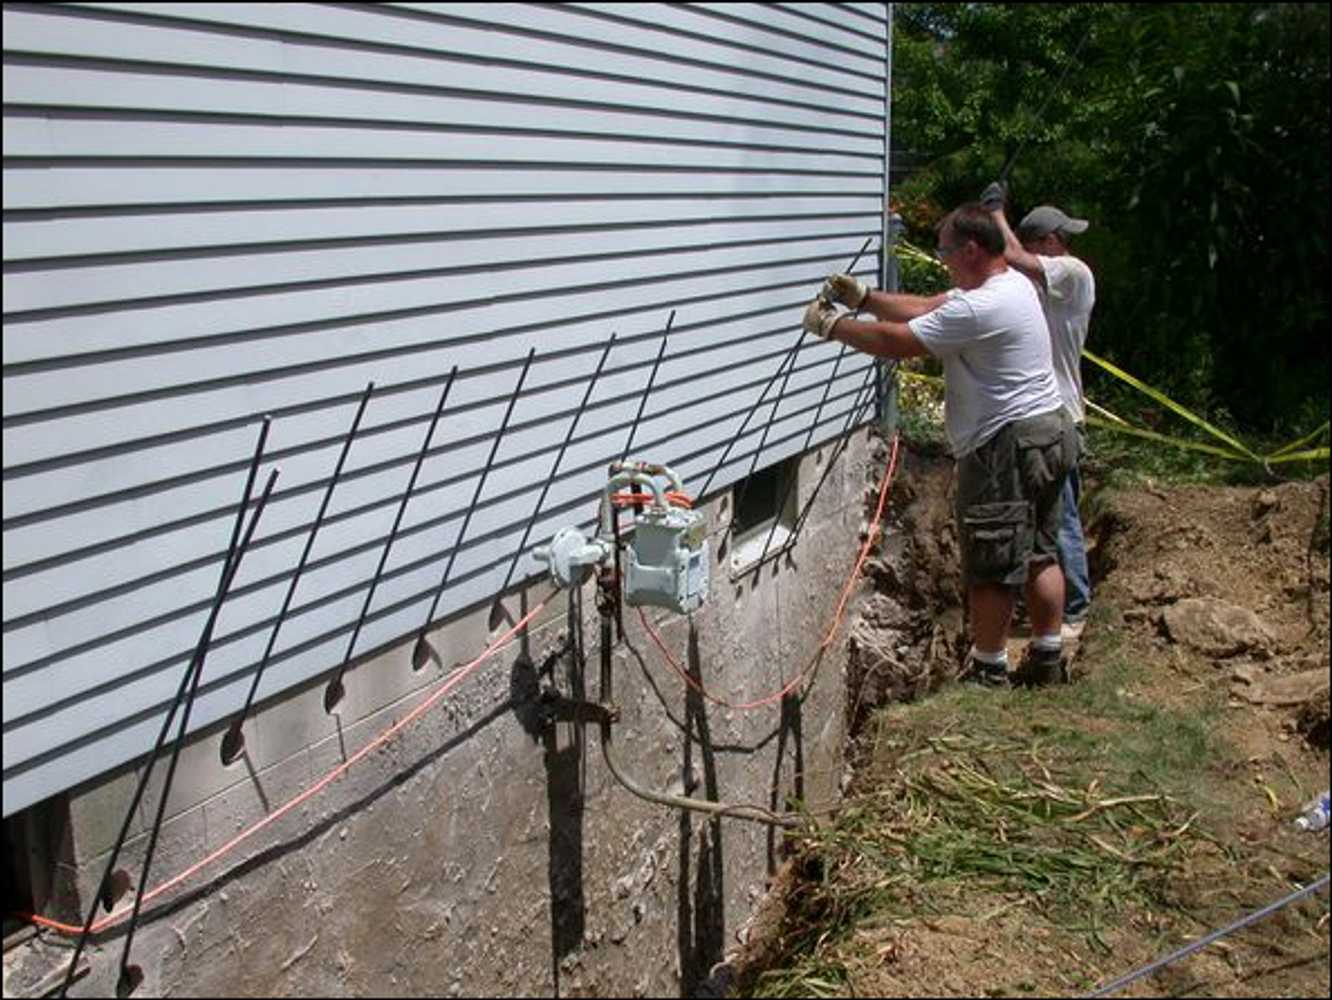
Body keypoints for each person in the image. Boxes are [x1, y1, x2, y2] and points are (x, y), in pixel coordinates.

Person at [803, 203, 1077, 687]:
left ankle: (989, 670)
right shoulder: (1011, 283)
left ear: (971, 249)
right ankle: (1047, 658)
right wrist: (864, 299)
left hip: (1006, 445)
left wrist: (832, 326)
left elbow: (898, 342)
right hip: (1048, 431)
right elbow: (927, 307)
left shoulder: (981, 306)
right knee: (1041, 551)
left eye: (946, 251)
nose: (942, 259)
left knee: (993, 561)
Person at [982, 185, 1096, 637]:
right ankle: (1050, 604)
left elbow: (1013, 255)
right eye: (1060, 237)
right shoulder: (1032, 285)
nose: (1066, 244)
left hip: (1060, 416)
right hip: (1038, 416)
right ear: (1045, 239)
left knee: (1060, 516)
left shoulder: (1073, 272)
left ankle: (1075, 610)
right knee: (1042, 518)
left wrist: (995, 212)